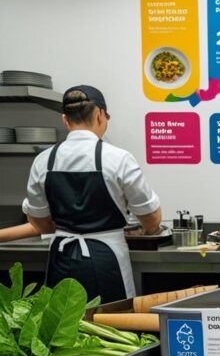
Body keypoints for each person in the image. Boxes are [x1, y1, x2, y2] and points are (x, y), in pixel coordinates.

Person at [0, 85, 162, 302]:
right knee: (111, 320)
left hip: (61, 256)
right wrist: (149, 230)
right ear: (100, 115)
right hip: (107, 258)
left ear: (65, 120)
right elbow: (151, 218)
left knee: (62, 319)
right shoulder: (118, 159)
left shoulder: (44, 161)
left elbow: (40, 222)